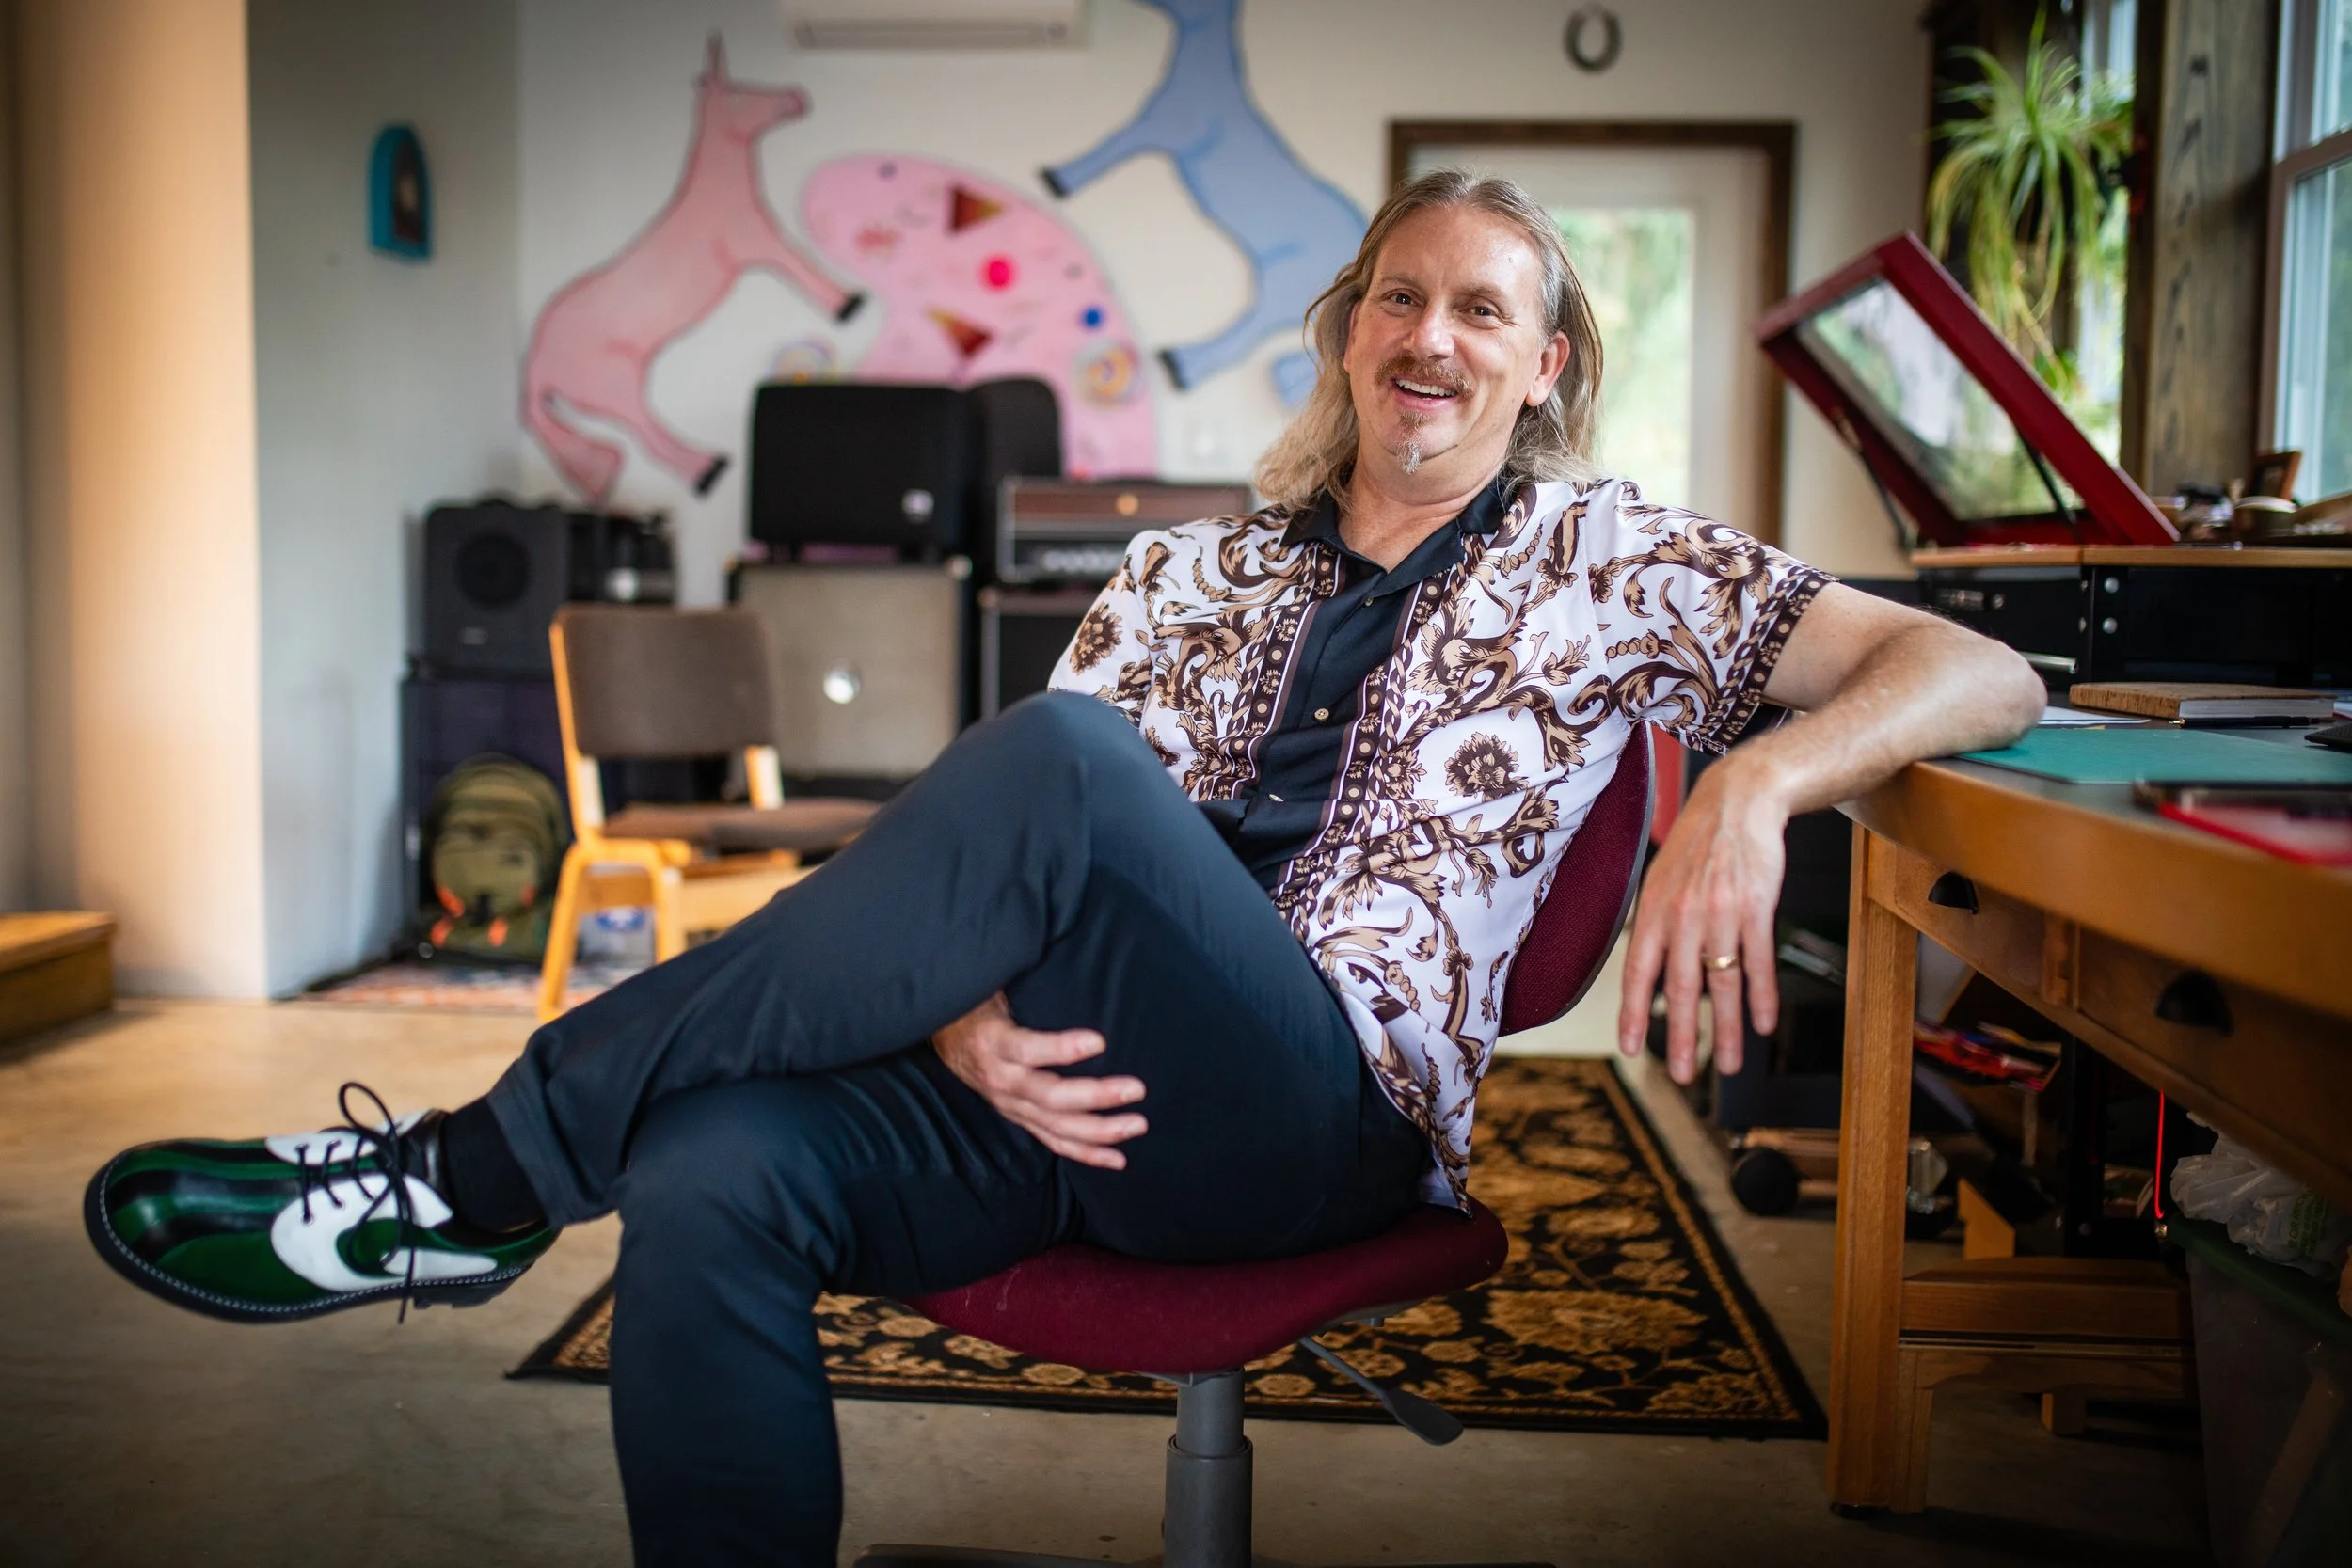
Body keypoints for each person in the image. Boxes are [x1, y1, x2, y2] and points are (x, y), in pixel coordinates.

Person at [85, 171, 2043, 1565]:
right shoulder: (1188, 566)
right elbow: (994, 859)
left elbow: (1982, 666)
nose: (1429, 336)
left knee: (1061, 757)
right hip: (1059, 1091)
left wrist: (1750, 782)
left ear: (1543, 367)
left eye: (1479, 310)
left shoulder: (1614, 560)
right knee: (712, 1162)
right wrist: (958, 1019)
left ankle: (472, 1174)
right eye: (1396, 297)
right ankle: (535, 1185)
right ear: (1348, 331)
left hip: (1313, 1117)